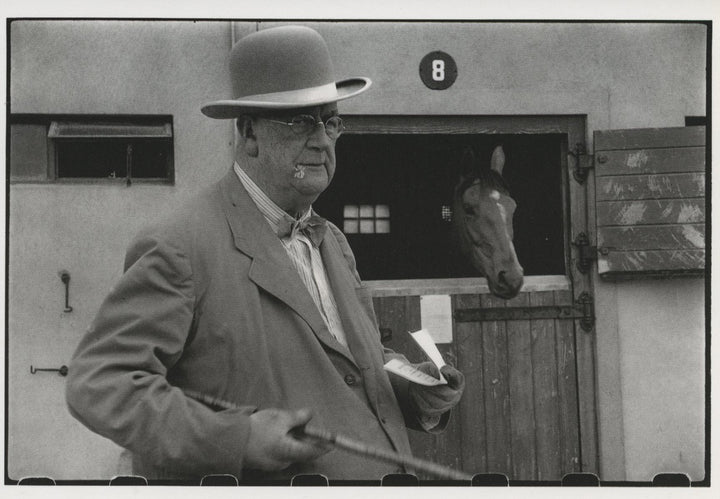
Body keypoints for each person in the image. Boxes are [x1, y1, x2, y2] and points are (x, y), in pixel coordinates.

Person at [65, 25, 464, 482]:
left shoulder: (331, 240)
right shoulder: (181, 246)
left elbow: (347, 369)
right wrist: (237, 438)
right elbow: (98, 383)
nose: (321, 140)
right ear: (249, 133)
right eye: (299, 121)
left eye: (330, 121)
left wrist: (415, 394)